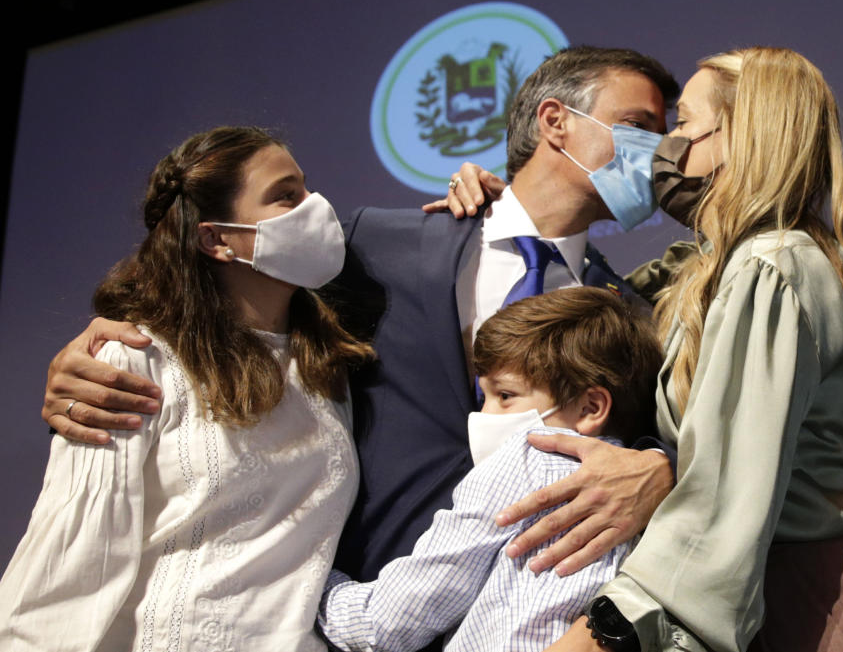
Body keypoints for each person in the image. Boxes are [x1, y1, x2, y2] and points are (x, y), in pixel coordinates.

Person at [39, 47, 681, 628]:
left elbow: (650, 441)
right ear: (555, 121)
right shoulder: (379, 242)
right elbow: (229, 305)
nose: (656, 153)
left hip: (524, 618)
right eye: (639, 127)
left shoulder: (629, 315)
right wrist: (93, 354)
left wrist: (659, 467)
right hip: (358, 613)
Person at [445, 47, 843, 652]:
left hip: (823, 610)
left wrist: (595, 638)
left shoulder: (770, 265)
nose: (662, 153)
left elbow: (719, 504)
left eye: (681, 127)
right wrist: (498, 213)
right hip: (764, 604)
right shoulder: (712, 272)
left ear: (742, 136)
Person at [0, 126, 374, 651]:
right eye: (285, 195)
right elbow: (72, 567)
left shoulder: (326, 365)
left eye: (306, 189)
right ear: (215, 238)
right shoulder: (133, 358)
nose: (315, 208)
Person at [317, 287, 663, 652]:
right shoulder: (661, 497)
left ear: (591, 408)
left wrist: (317, 585)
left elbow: (389, 623)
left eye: (506, 396)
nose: (484, 417)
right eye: (484, 397)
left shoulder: (527, 461)